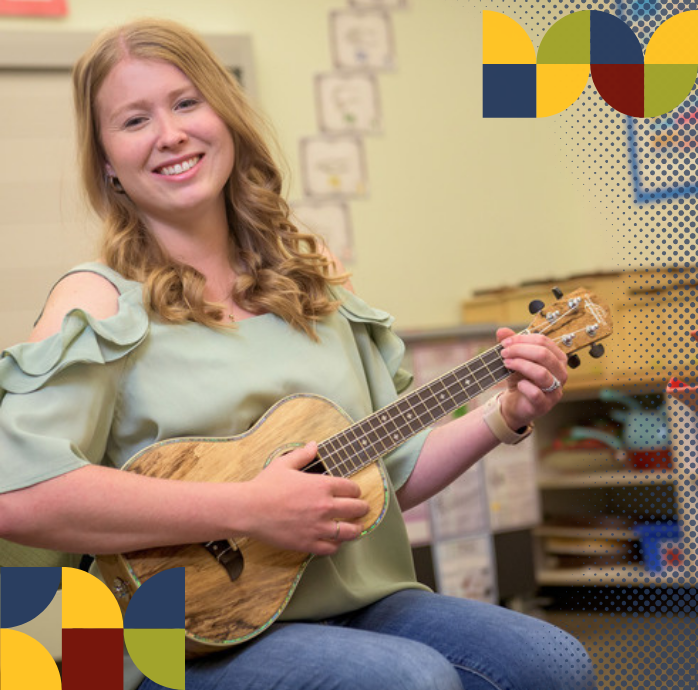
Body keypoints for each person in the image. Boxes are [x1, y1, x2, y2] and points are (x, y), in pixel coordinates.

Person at [0, 18, 596, 690]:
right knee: (410, 681)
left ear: (225, 117)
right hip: (183, 642)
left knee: (554, 664)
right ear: (106, 160)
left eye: (187, 103)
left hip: (361, 605)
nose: (170, 134)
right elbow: (19, 494)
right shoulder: (98, 303)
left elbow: (388, 474)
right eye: (134, 120)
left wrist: (504, 414)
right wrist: (247, 510)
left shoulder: (312, 287)